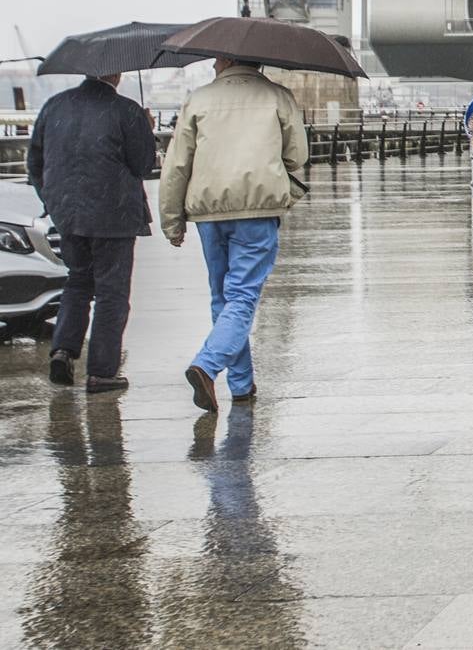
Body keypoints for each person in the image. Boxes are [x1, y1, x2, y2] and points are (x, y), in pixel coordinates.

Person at [160, 58, 308, 413]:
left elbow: (177, 164)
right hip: (258, 209)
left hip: (209, 212)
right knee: (242, 295)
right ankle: (208, 366)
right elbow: (298, 155)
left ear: (226, 59)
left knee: (221, 297)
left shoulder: (199, 99)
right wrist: (285, 193)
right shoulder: (278, 96)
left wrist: (171, 220)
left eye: (216, 58)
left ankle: (241, 383)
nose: (212, 63)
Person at [28, 73, 156, 393]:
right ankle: (101, 372)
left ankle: (62, 350)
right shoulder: (126, 110)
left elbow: (35, 162)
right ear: (116, 74)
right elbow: (143, 165)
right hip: (113, 215)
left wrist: (52, 201)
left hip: (67, 214)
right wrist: (147, 127)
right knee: (112, 293)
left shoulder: (55, 106)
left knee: (78, 281)